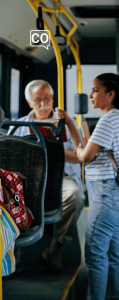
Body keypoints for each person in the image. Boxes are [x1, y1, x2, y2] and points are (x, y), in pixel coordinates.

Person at [55, 73, 119, 300]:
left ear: (110, 95)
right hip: (116, 192)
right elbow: (82, 149)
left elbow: (85, 155)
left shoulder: (107, 120)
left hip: (104, 193)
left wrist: (78, 152)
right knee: (111, 253)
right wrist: (70, 123)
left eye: (95, 90)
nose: (90, 95)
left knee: (94, 255)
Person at [8, 80, 84, 272]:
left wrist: (49, 152)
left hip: (61, 177)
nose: (43, 104)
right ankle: (15, 249)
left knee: (75, 197)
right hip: (29, 178)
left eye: (47, 98)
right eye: (38, 100)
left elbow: (79, 157)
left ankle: (55, 248)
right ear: (29, 101)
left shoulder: (65, 124)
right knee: (10, 197)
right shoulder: (20, 126)